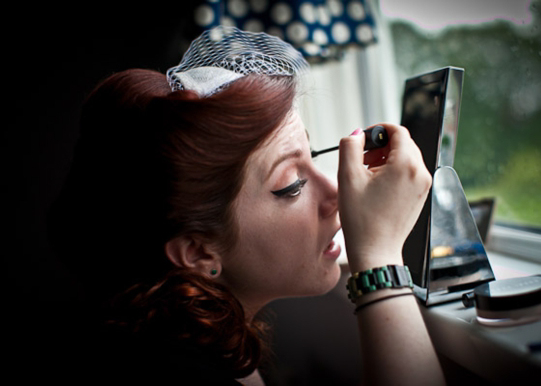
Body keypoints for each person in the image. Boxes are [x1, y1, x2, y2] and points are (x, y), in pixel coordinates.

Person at [48, 27, 445, 385]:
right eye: (291, 185)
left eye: (312, 154)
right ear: (199, 252)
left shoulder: (209, 348)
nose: (336, 194)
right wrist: (378, 260)